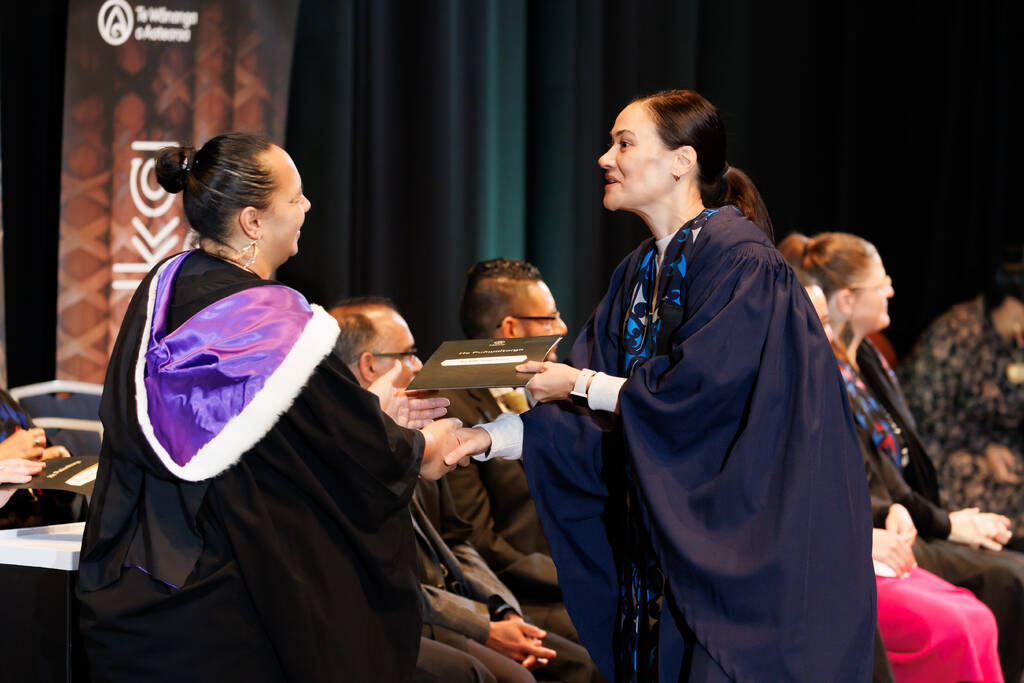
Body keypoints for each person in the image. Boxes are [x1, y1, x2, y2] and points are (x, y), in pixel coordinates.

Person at [449, 90, 875, 681]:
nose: (605, 157)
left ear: (683, 160)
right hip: (657, 558)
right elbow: (587, 418)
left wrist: (583, 382)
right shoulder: (638, 273)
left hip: (740, 557)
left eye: (624, 143)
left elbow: (697, 401)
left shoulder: (745, 267)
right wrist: (482, 439)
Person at [76, 133, 465, 683]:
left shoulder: (165, 288)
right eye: (295, 197)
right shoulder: (269, 322)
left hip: (140, 585)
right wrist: (420, 447)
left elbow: (292, 430)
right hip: (226, 610)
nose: (307, 207)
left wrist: (372, 418)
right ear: (253, 222)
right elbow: (349, 445)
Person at [783, 230, 1024, 682]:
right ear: (848, 301)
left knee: (1000, 582)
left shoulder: (867, 358)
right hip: (862, 537)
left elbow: (892, 477)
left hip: (890, 520)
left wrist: (928, 516)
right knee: (1004, 585)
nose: (892, 288)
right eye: (882, 282)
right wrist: (946, 523)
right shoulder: (814, 378)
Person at [333, 297, 603, 683]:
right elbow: (390, 575)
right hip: (406, 615)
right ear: (369, 365)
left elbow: (457, 539)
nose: (420, 366)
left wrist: (502, 609)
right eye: (408, 354)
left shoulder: (416, 432)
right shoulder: (346, 449)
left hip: (468, 601)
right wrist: (486, 627)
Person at [443, 258, 577, 640]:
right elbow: (475, 540)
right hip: (520, 594)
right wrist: (574, 574)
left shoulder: (555, 390)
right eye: (549, 318)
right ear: (512, 329)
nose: (563, 328)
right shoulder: (451, 407)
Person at [901, 257, 1024, 537]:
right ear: (1013, 302)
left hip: (1000, 450)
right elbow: (923, 415)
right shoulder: (955, 332)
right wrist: (984, 447)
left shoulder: (1015, 341)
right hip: (940, 451)